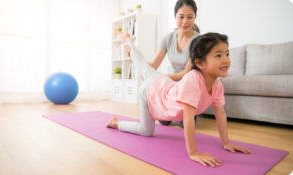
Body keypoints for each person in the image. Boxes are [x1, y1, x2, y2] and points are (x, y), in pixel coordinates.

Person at [107, 31, 251, 167]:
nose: (226, 60)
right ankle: (116, 123)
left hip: (163, 82)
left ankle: (127, 40)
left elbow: (220, 113)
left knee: (141, 64)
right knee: (146, 131)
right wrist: (193, 153)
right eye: (218, 56)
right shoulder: (193, 80)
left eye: (227, 54)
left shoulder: (217, 85)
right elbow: (188, 119)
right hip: (151, 91)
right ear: (200, 63)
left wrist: (226, 143)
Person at [125, 0, 200, 127]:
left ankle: (186, 111)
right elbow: (154, 65)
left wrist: (160, 78)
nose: (185, 21)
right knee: (163, 121)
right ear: (175, 16)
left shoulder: (198, 40)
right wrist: (135, 58)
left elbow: (185, 74)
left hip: (188, 86)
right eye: (181, 17)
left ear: (195, 17)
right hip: (171, 86)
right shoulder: (168, 38)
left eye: (190, 17)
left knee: (183, 123)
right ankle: (172, 109)